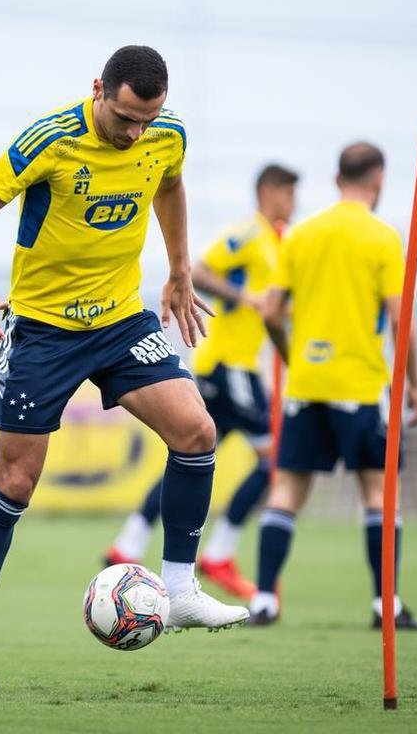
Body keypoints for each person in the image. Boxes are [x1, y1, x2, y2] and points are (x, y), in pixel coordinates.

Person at [0, 45, 250, 691]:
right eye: (124, 118)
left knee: (195, 433)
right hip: (43, 333)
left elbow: (169, 186)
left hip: (118, 321)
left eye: (147, 119)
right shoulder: (49, 139)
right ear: (98, 91)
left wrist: (177, 271)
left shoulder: (166, 136)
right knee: (15, 481)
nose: (135, 132)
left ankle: (179, 588)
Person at [249, 141, 417, 631]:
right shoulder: (381, 237)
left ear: (336, 180)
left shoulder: (302, 234)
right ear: (379, 180)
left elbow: (270, 311)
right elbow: (401, 322)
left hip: (306, 385)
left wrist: (292, 359)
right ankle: (385, 607)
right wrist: (414, 385)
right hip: (361, 384)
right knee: (377, 493)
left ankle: (265, 599)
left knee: (286, 491)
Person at [105, 164, 299, 599]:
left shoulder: (277, 241)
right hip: (229, 366)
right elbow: (203, 271)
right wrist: (245, 298)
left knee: (190, 455)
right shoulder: (248, 234)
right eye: (289, 194)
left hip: (236, 367)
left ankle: (126, 545)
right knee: (276, 459)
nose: (293, 203)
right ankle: (219, 555)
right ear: (269, 192)